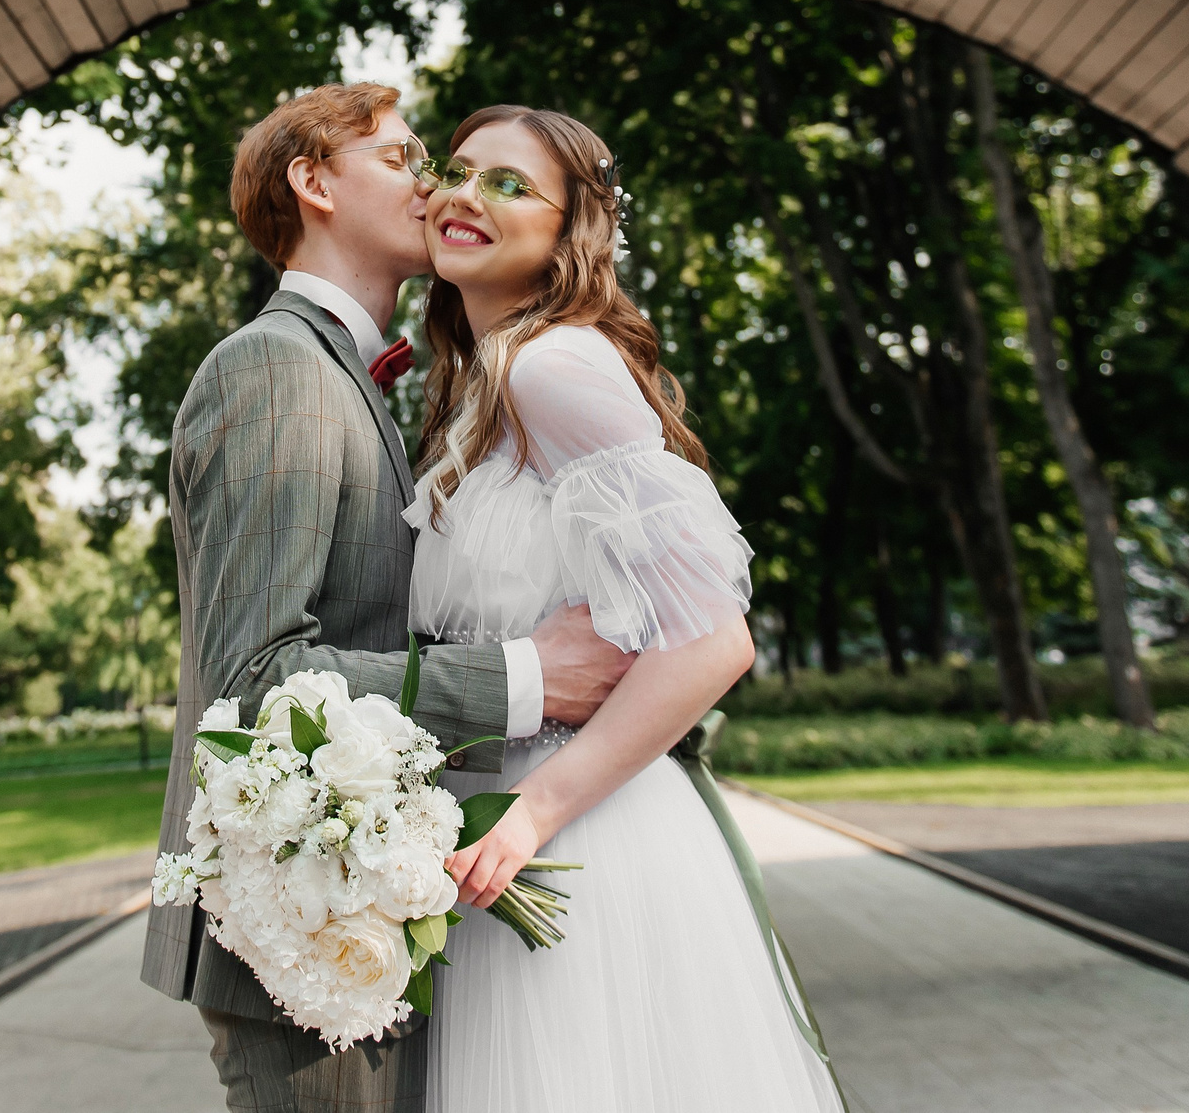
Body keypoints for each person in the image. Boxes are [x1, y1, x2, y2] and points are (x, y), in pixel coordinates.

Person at [141, 83, 641, 1113]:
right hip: (294, 941)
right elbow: (253, 680)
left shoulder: (357, 379)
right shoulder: (276, 369)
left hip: (360, 910)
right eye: (407, 158)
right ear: (314, 180)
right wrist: (528, 675)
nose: (437, 184)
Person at [409, 104, 846, 1113]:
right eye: (459, 170)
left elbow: (711, 637)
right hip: (497, 842)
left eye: (510, 183)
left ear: (570, 232)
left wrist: (538, 809)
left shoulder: (551, 365)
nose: (466, 194)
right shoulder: (475, 381)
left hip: (575, 838)